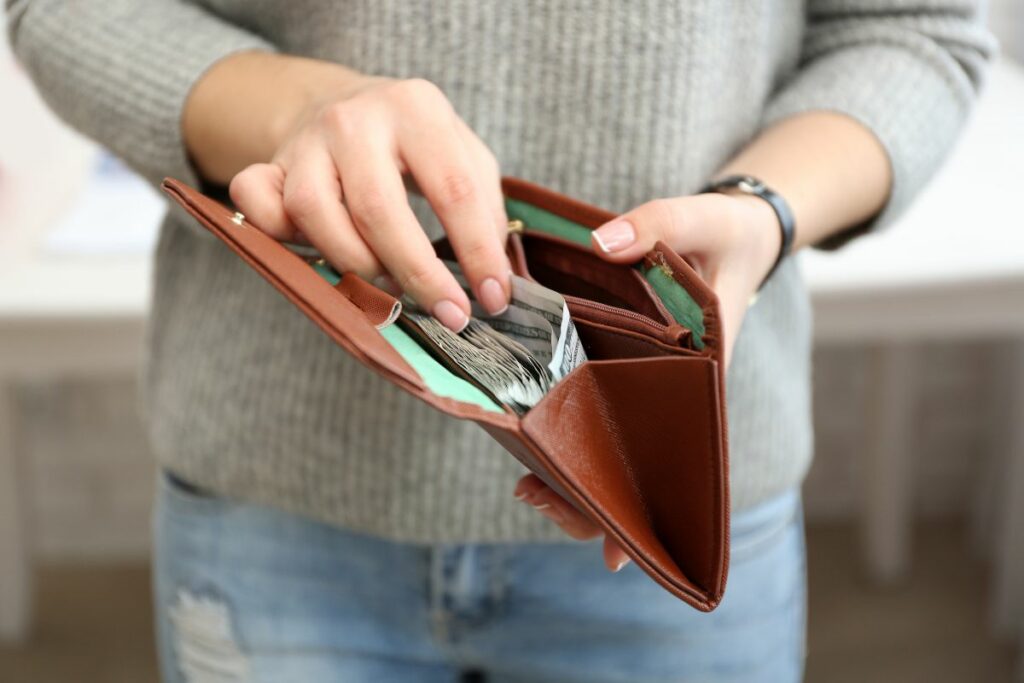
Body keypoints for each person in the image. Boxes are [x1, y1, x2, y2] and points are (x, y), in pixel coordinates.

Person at [7, 1, 993, 681]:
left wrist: (761, 211)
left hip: (669, 511)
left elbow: (911, 31)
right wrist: (296, 108)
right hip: (276, 513)